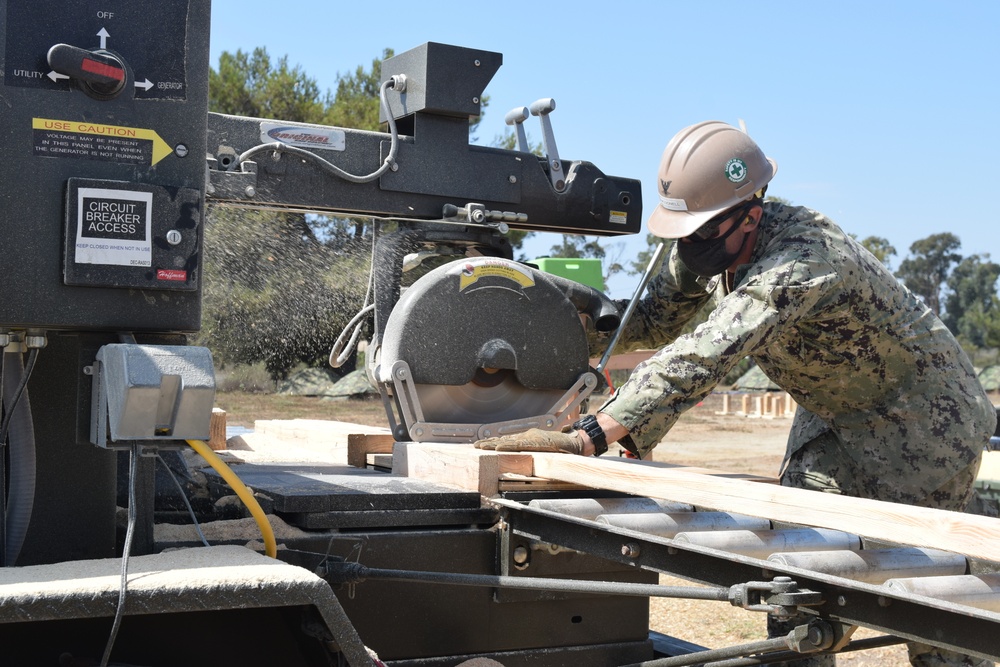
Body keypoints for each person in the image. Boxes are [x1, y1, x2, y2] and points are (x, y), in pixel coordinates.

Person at [477, 120, 997, 667]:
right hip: (836, 419)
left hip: (924, 425)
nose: (689, 247)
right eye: (683, 233)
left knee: (931, 599)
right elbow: (652, 319)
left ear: (751, 213)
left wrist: (591, 434)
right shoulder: (715, 237)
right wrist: (551, 319)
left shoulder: (803, 258)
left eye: (699, 234)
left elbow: (708, 349)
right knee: (799, 580)